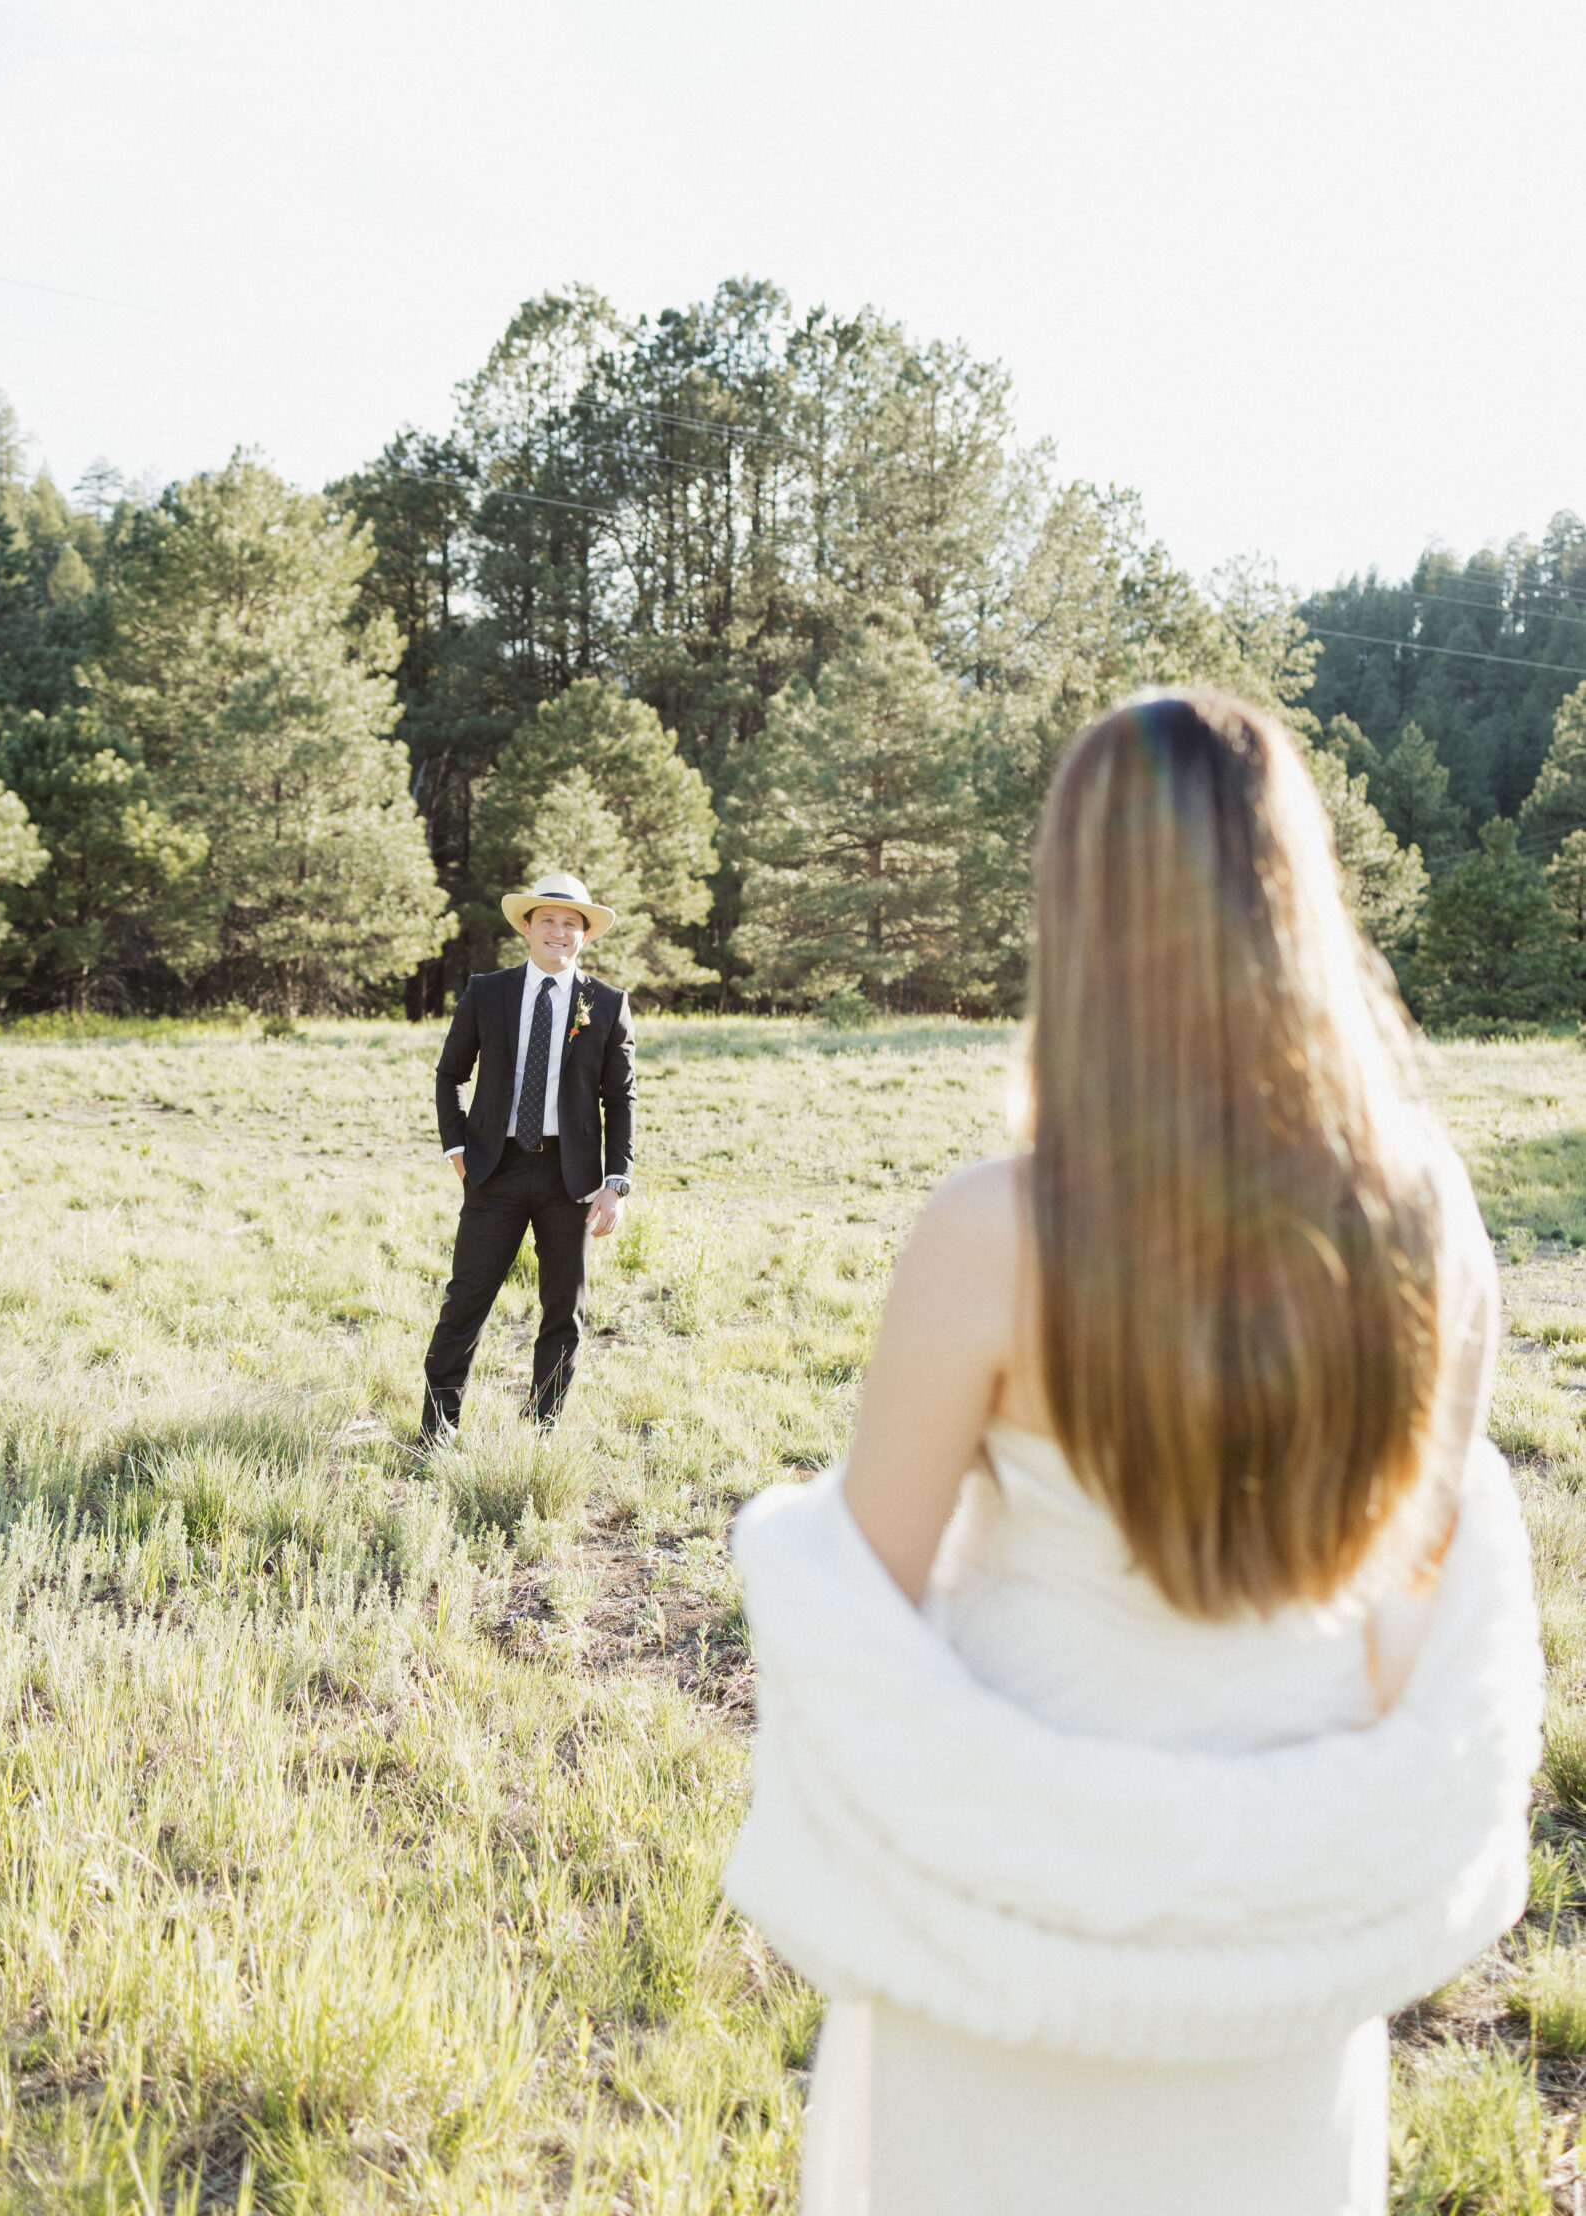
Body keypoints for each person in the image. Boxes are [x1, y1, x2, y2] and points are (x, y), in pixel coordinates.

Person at [724, 690, 1541, 2216]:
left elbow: (859, 1589)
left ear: (1076, 910)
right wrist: (1285, 1847)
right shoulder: (1421, 1214)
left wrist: (773, 1535)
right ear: (1295, 895)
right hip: (1286, 1935)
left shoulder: (992, 1231)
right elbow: (1410, 1595)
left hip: (1011, 1928)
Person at [421, 872, 636, 1438]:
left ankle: (541, 1433)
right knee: (465, 1302)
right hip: (494, 1169)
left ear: (584, 935)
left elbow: (621, 1097)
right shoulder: (486, 992)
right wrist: (459, 1151)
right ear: (526, 927)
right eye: (548, 921)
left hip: (572, 1179)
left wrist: (616, 1182)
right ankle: (437, 1435)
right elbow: (449, 1076)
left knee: (564, 1313)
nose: (559, 932)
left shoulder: (607, 1004)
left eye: (571, 924)